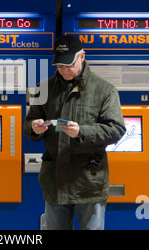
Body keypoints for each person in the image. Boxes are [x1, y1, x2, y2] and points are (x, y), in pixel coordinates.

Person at [23, 35, 126, 230]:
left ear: (82, 57)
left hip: (88, 182)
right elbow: (28, 124)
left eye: (69, 65)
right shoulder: (43, 88)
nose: (64, 70)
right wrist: (34, 128)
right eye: (60, 66)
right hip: (55, 182)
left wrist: (81, 132)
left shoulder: (104, 89)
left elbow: (116, 129)